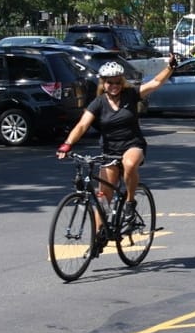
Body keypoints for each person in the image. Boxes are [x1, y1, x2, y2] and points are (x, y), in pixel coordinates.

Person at [56, 54, 177, 251]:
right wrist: (67, 144)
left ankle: (130, 203)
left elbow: (155, 83)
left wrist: (169, 67)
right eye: (109, 82)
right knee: (103, 197)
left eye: (117, 81)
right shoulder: (98, 103)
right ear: (103, 83)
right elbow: (82, 125)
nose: (114, 85)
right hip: (109, 151)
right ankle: (97, 239)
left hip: (133, 145)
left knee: (129, 164)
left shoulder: (131, 95)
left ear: (122, 81)